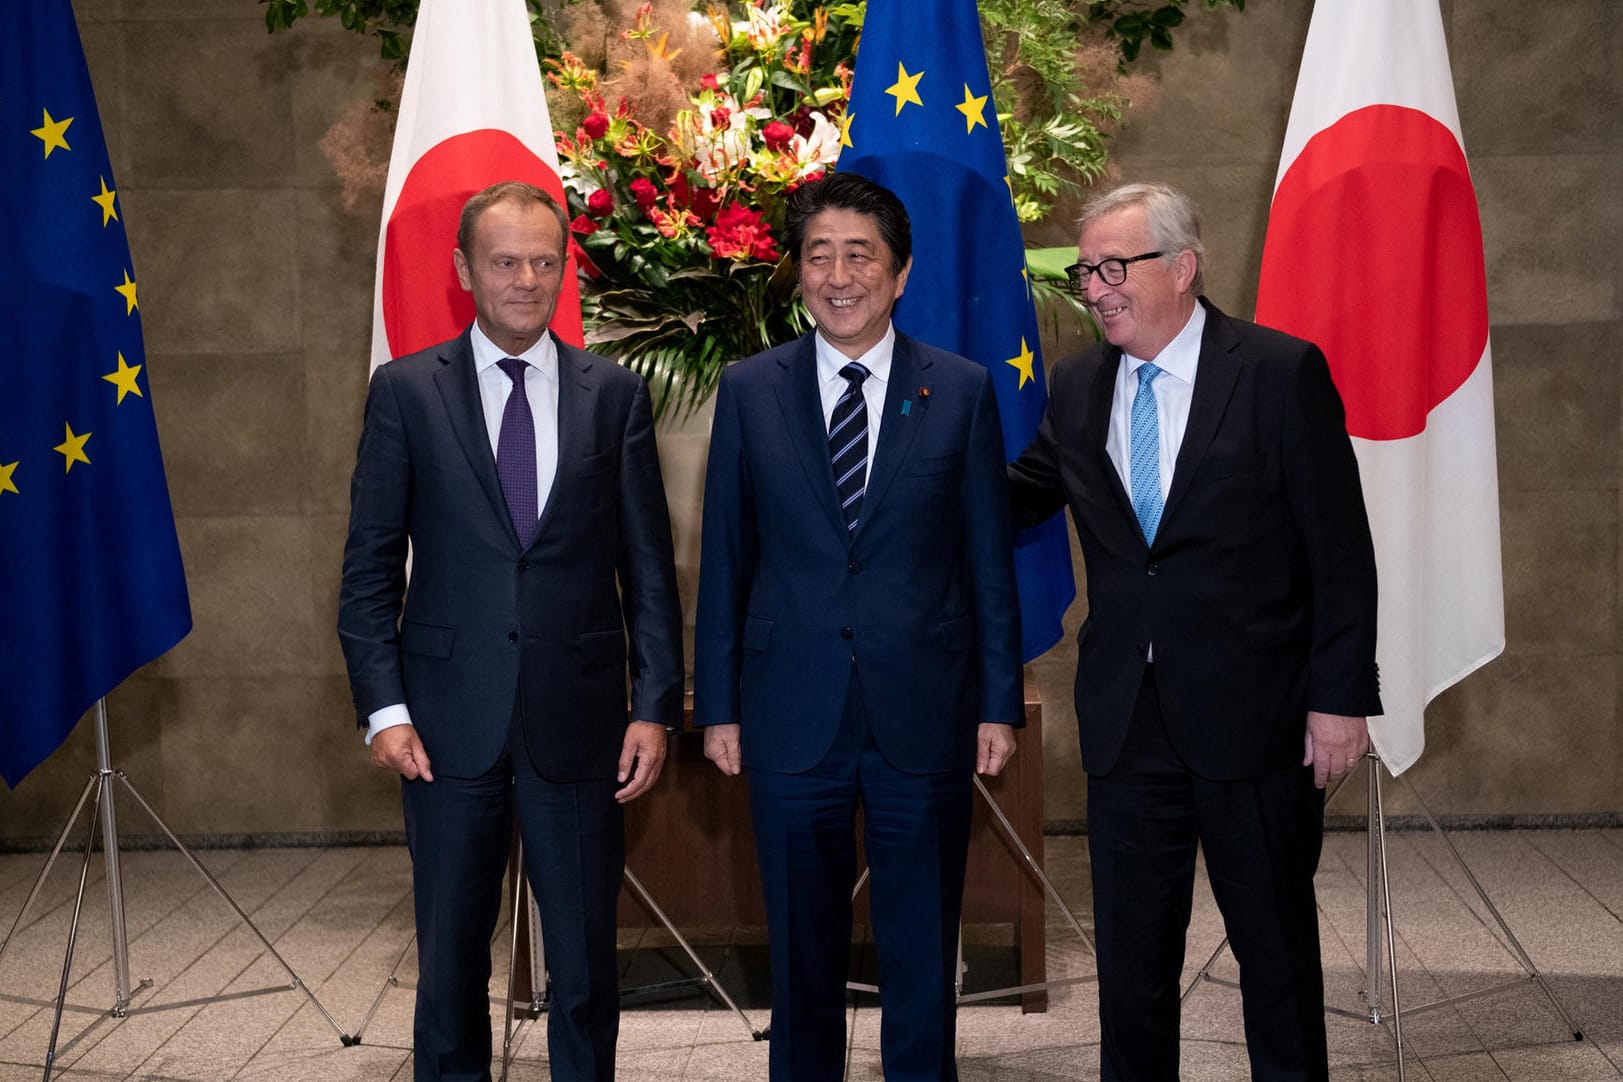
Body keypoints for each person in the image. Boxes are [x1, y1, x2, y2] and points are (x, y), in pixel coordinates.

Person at [1007, 181, 1381, 1082]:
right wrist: (905, 459)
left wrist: (1338, 701)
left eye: (1110, 267)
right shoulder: (1077, 384)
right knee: (1132, 968)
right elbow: (1015, 495)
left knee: (1275, 958)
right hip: (1126, 723)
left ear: (1181, 265)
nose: (1092, 288)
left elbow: (1339, 552)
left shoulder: (1277, 372)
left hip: (1256, 719)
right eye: (1083, 271)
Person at [337, 180, 683, 1082]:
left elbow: (647, 568)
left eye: (542, 261)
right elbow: (369, 568)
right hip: (445, 726)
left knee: (581, 964)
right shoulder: (406, 393)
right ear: (464, 271)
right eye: (504, 262)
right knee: (450, 961)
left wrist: (654, 705)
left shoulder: (614, 394)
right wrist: (384, 709)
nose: (525, 280)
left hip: (581, 719)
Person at [692, 171, 1024, 1082]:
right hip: (789, 712)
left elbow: (987, 564)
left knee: (921, 939)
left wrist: (998, 704)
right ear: (797, 272)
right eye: (818, 255)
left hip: (923, 709)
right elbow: (727, 556)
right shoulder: (750, 389)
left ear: (901, 270)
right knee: (801, 949)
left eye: (859, 254)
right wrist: (717, 706)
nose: (839, 275)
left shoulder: (956, 390)